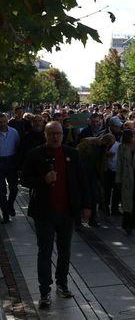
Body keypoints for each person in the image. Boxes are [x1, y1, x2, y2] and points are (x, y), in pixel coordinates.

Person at [21, 121, 90, 308]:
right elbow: (24, 179)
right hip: (44, 212)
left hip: (67, 212)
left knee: (64, 250)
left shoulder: (72, 154)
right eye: (51, 133)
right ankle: (44, 291)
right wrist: (43, 180)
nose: (55, 137)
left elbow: (83, 181)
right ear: (45, 134)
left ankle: (62, 284)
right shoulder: (35, 154)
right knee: (44, 252)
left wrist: (87, 205)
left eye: (58, 133)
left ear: (62, 134)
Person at [77, 134, 115, 226]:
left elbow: (100, 160)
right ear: (104, 140)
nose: (107, 146)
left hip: (93, 174)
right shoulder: (87, 142)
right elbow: (77, 156)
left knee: (94, 196)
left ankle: (92, 219)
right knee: (81, 196)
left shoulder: (103, 147)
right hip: (82, 173)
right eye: (107, 143)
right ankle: (78, 220)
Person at [116, 129, 135, 234]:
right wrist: (118, 180)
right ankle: (126, 223)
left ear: (134, 136)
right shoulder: (122, 147)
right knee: (127, 200)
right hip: (127, 176)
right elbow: (119, 164)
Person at [0, 113, 20, 223]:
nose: (2, 124)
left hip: (11, 162)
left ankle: (10, 205)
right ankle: (5, 214)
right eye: (0, 122)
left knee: (14, 188)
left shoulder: (14, 132)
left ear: (7, 121)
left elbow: (17, 146)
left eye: (3, 121)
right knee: (1, 191)